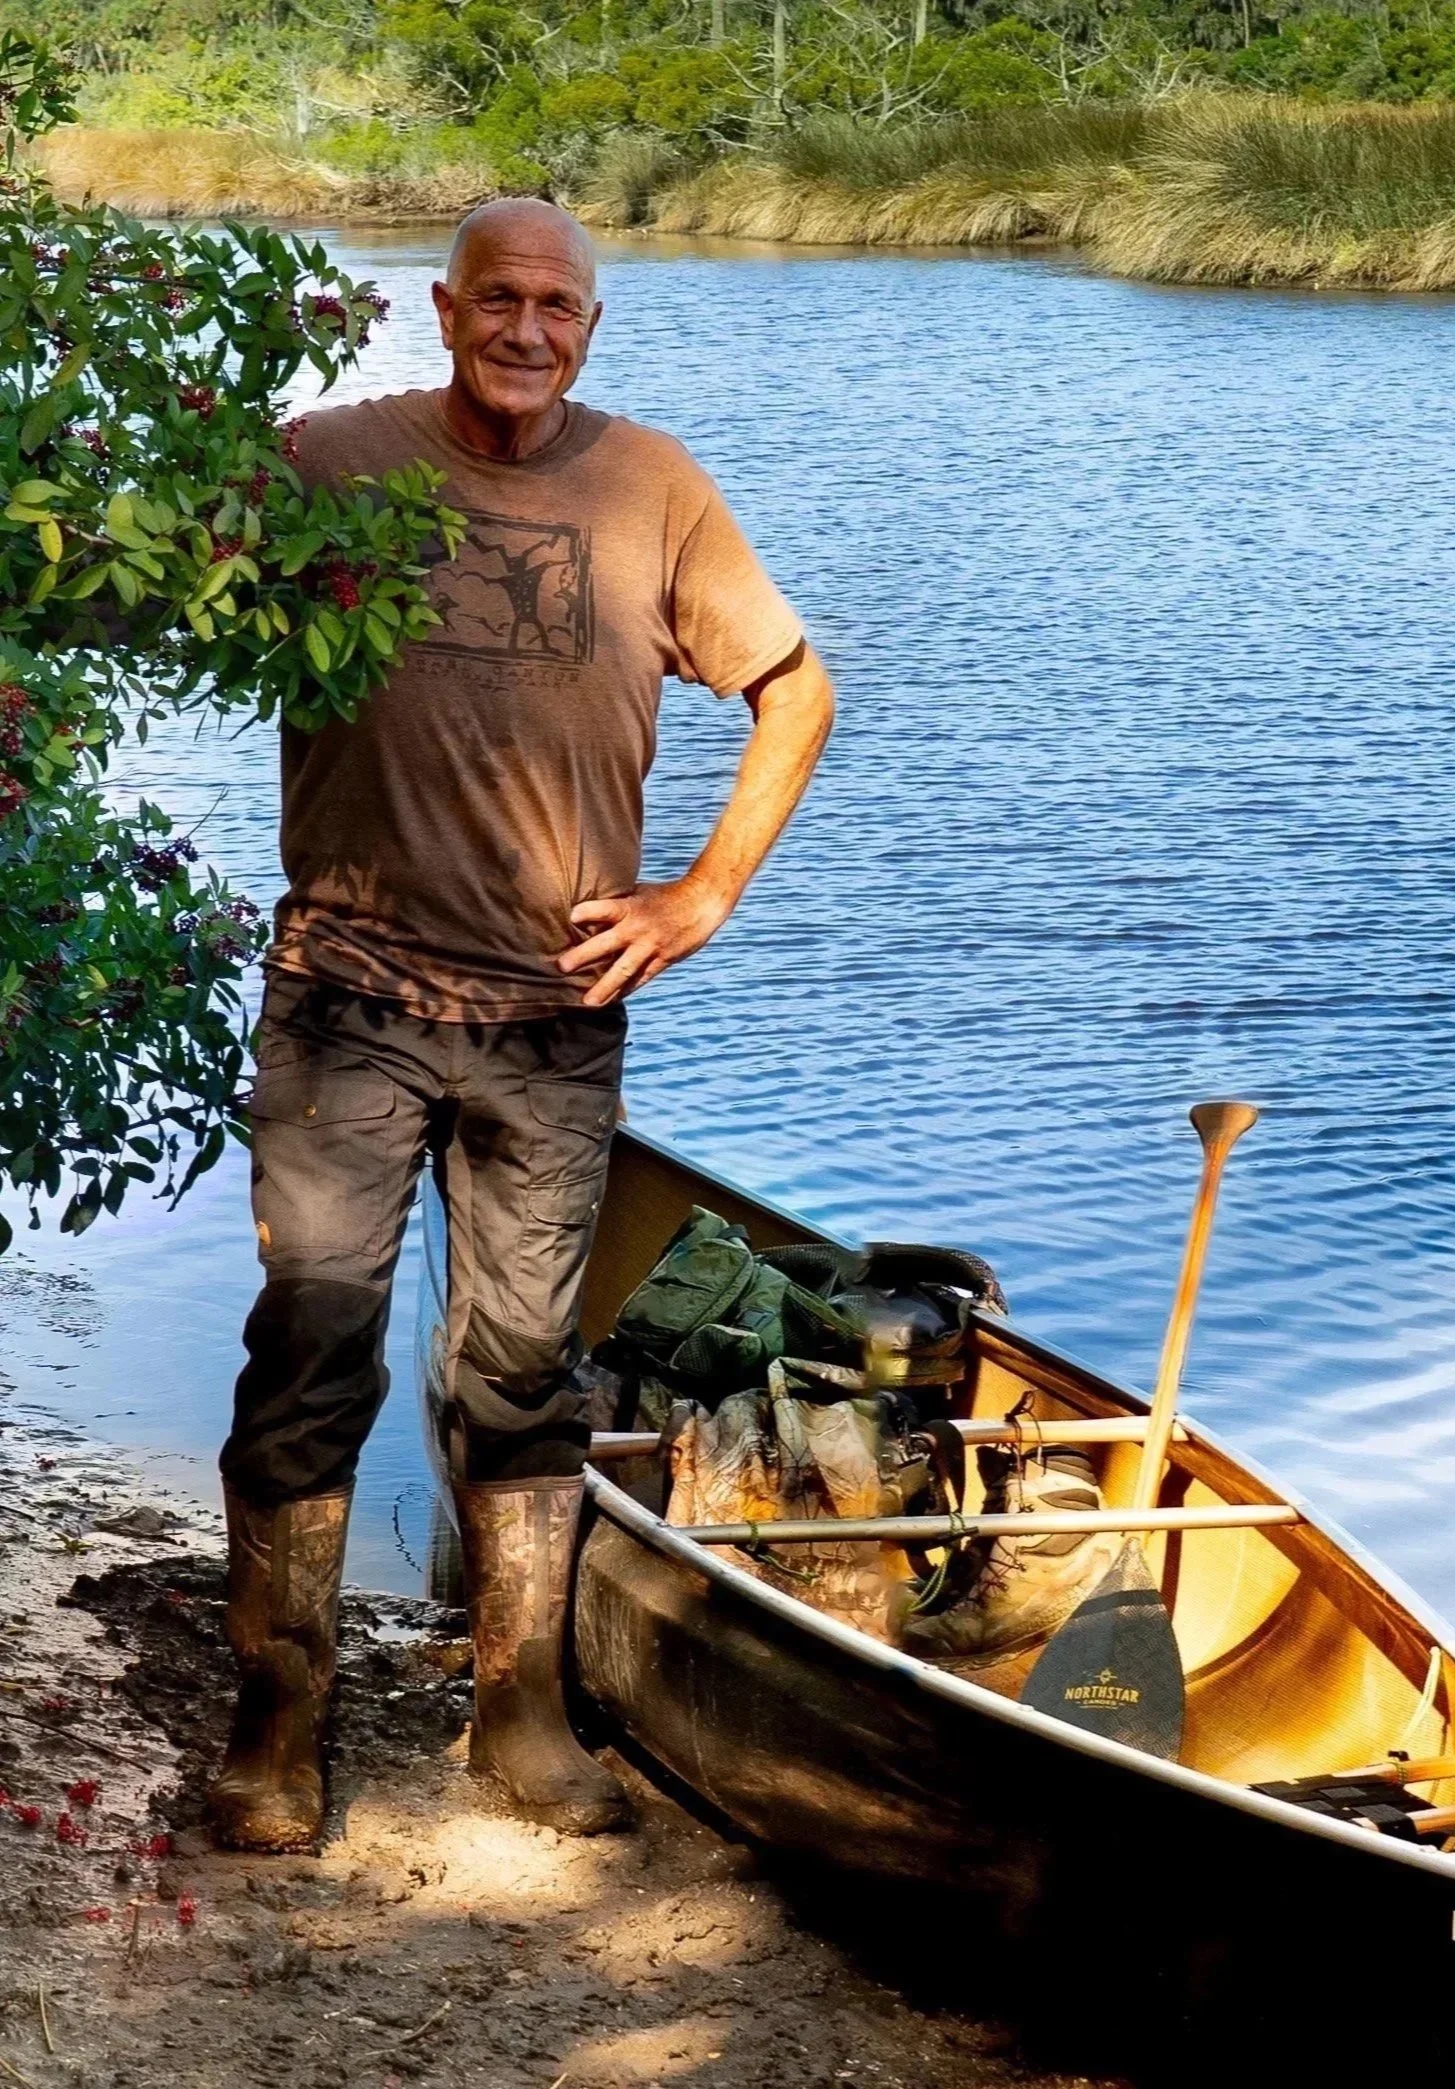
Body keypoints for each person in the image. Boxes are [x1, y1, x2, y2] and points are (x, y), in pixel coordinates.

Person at [207, 199, 834, 1850]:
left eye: (560, 303)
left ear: (592, 324)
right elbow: (152, 584)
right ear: (444, 306)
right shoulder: (325, 462)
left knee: (522, 1370)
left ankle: (525, 1717)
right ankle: (277, 1728)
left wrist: (700, 898)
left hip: (555, 1019)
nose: (529, 327)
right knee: (314, 1343)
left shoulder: (654, 487)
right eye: (501, 298)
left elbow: (796, 688)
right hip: (348, 1003)